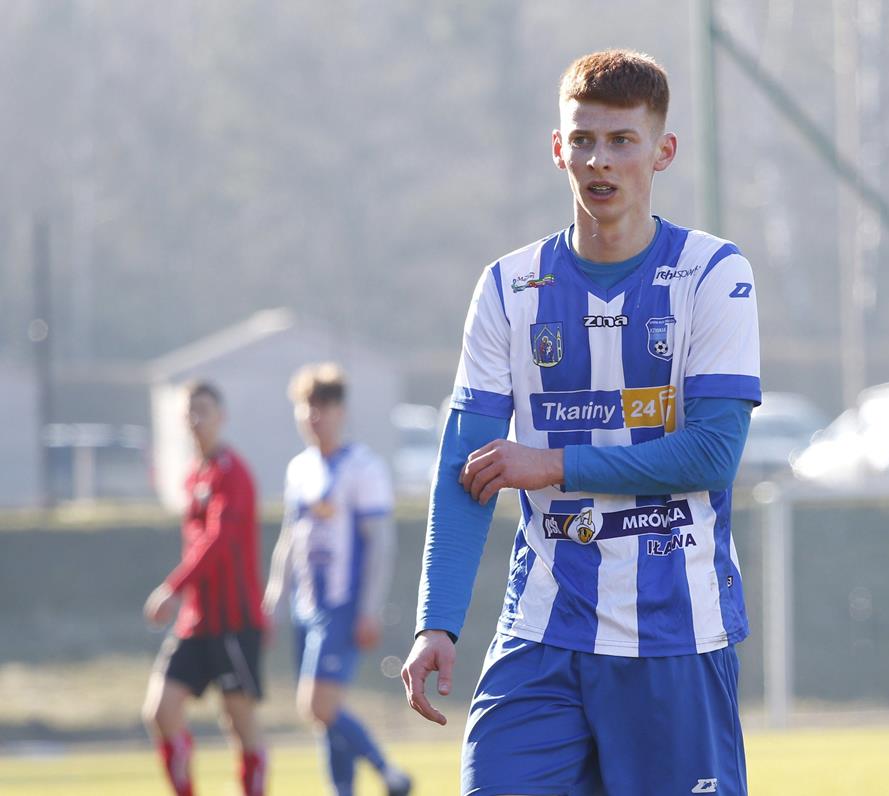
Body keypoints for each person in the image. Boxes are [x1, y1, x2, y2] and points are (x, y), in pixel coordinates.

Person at [401, 50, 761, 795]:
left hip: (675, 635)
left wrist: (553, 463)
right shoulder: (509, 286)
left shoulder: (714, 274)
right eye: (584, 140)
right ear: (558, 149)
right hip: (543, 633)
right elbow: (467, 466)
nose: (600, 160)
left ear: (662, 152)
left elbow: (713, 453)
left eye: (622, 141)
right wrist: (436, 621)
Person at [262, 363, 413, 796]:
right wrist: (275, 597)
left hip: (343, 604)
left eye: (324, 406)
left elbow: (380, 544)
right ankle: (343, 788)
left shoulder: (362, 467)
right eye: (307, 406)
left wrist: (369, 609)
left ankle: (390, 774)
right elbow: (290, 538)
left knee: (316, 704)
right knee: (323, 712)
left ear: (341, 412)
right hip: (306, 606)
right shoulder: (299, 469)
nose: (315, 415)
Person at [142, 380, 267, 796]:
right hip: (196, 622)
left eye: (204, 411)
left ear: (221, 416)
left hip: (234, 621)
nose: (196, 420)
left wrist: (172, 587)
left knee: (240, 722)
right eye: (190, 413)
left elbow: (218, 542)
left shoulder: (233, 473)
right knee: (161, 710)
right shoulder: (194, 474)